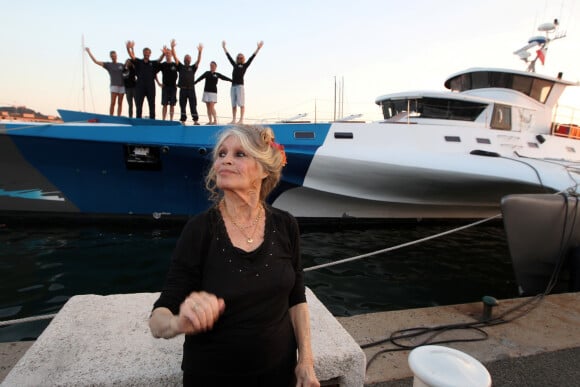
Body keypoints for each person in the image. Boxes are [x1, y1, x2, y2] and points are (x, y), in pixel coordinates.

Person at [149, 125, 320, 387]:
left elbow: (296, 298)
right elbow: (158, 318)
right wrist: (176, 323)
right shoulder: (199, 230)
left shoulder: (286, 225)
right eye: (221, 154)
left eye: (240, 154)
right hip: (212, 378)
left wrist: (305, 362)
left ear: (263, 171)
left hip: (279, 374)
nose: (225, 159)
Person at [222, 40, 264, 124]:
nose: (239, 59)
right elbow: (228, 57)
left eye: (241, 58)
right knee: (233, 104)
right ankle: (234, 119)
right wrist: (224, 47)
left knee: (241, 104)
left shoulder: (245, 65)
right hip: (233, 86)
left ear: (243, 59)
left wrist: (258, 48)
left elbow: (252, 57)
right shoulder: (234, 65)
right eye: (238, 58)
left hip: (240, 86)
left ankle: (241, 120)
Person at [126, 41, 163, 119]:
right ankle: (138, 120)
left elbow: (159, 60)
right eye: (145, 52)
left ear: (150, 54)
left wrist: (163, 53)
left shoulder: (152, 63)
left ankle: (152, 120)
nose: (146, 54)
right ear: (143, 53)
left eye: (148, 53)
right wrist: (128, 48)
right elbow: (132, 56)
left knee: (152, 104)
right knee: (139, 105)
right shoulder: (139, 62)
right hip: (140, 86)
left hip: (150, 86)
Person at [85, 48, 125, 116]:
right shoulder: (108, 65)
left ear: (116, 56)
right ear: (110, 57)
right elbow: (95, 61)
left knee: (120, 103)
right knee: (113, 102)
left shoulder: (121, 65)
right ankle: (111, 116)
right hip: (114, 85)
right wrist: (89, 52)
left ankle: (119, 116)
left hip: (122, 86)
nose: (113, 57)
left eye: (114, 56)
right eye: (112, 56)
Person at [172, 40, 203, 125]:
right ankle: (183, 120)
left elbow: (198, 61)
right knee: (182, 105)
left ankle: (195, 120)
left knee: (193, 105)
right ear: (184, 60)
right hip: (183, 89)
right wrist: (172, 48)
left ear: (190, 60)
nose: (187, 60)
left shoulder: (192, 68)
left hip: (191, 89)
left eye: (188, 59)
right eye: (186, 59)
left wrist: (200, 52)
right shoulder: (180, 66)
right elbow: (175, 58)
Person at [156, 45, 179, 121]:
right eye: (167, 53)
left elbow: (181, 73)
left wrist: (178, 83)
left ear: (171, 54)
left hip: (173, 87)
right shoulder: (163, 65)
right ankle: (163, 119)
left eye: (169, 53)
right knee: (164, 104)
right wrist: (159, 83)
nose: (168, 55)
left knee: (172, 105)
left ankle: (171, 120)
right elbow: (154, 72)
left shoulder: (175, 64)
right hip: (165, 87)